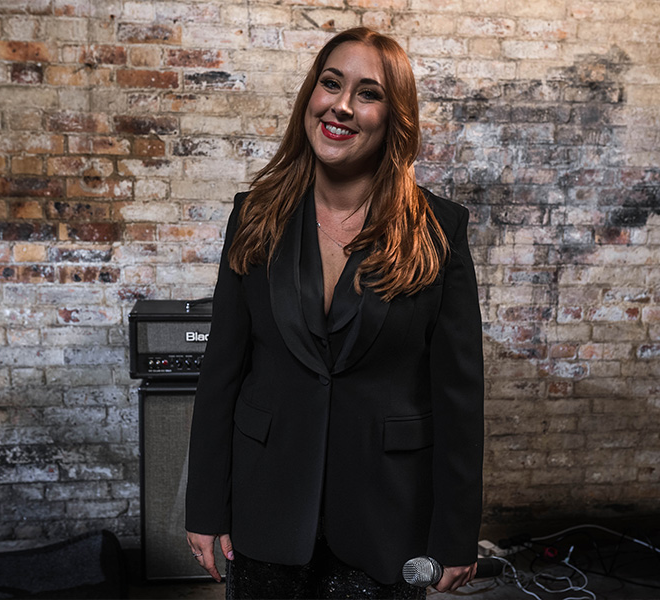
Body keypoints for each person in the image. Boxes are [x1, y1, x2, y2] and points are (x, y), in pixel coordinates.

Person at [184, 27, 484, 599]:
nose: (341, 105)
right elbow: (221, 372)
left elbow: (459, 397)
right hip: (264, 505)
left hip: (386, 516)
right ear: (310, 96)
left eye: (368, 93)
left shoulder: (440, 232)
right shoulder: (254, 216)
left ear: (395, 118)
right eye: (331, 84)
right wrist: (205, 504)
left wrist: (456, 531)